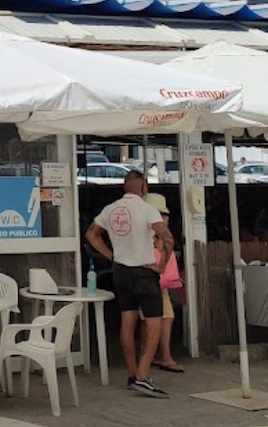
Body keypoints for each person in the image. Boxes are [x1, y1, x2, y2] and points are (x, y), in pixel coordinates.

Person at [85, 170, 173, 398]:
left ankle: (132, 374)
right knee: (154, 321)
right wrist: (161, 265)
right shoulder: (148, 209)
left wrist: (111, 255)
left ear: (125, 186)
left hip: (121, 270)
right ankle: (143, 376)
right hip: (144, 270)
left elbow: (91, 234)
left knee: (128, 318)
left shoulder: (111, 209)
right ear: (145, 186)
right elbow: (167, 238)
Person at [142, 193, 183, 373]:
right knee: (160, 318)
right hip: (149, 280)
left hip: (156, 282)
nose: (164, 219)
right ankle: (162, 357)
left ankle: (148, 355)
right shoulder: (149, 234)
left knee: (152, 319)